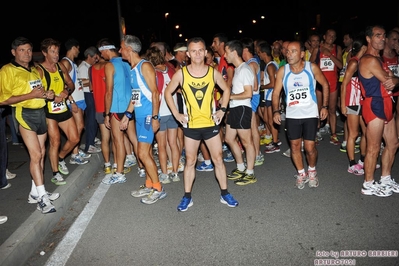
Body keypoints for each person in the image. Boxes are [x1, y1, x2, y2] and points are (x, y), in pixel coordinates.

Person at [164, 37, 238, 211]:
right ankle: (187, 197)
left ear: (205, 53)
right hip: (191, 125)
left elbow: (226, 89)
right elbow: (168, 93)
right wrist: (177, 114)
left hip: (211, 124)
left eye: (200, 50)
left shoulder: (213, 72)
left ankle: (225, 193)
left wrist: (223, 109)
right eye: (193, 51)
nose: (197, 54)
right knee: (190, 161)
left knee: (218, 159)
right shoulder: (182, 73)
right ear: (188, 54)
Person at [0, 37, 59, 213]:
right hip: (23, 114)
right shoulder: (7, 70)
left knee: (41, 155)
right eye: (21, 50)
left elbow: (37, 93)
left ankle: (35, 192)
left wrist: (47, 94)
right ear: (13, 52)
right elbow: (3, 99)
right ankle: (42, 198)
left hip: (41, 113)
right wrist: (31, 95)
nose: (26, 53)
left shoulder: (34, 71)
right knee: (35, 154)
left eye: (28, 50)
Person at [272, 41, 329, 189]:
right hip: (292, 115)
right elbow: (276, 92)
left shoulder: (312, 68)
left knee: (310, 147)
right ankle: (301, 173)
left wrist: (324, 106)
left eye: (293, 51)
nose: (289, 54)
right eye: (288, 52)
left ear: (302, 54)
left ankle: (312, 171)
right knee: (295, 146)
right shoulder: (283, 71)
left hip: (310, 113)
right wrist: (276, 110)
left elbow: (325, 84)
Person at [119, 35, 167, 205]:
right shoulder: (132, 68)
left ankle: (159, 189)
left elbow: (155, 93)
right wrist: (127, 115)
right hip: (139, 117)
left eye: (122, 47)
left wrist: (154, 117)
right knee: (144, 153)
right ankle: (149, 184)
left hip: (147, 116)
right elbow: (135, 97)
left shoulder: (144, 66)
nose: (120, 50)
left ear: (129, 49)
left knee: (142, 153)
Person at [358, 25, 399, 197]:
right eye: (377, 36)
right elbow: (388, 81)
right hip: (374, 104)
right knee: (374, 147)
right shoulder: (370, 60)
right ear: (368, 39)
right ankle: (368, 183)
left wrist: (395, 79)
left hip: (386, 102)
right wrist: (394, 80)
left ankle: (385, 178)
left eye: (383, 36)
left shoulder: (379, 60)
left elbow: (394, 80)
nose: (382, 39)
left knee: (393, 143)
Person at [37, 38, 82, 186]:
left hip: (62, 108)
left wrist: (66, 91)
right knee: (55, 141)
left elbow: (70, 84)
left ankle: (61, 157)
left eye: (57, 51)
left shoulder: (61, 66)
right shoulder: (39, 70)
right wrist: (49, 95)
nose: (56, 55)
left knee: (75, 138)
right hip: (48, 111)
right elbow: (35, 91)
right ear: (44, 53)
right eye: (52, 51)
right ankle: (55, 173)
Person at [144, 46, 180, 183]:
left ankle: (164, 174)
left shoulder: (152, 72)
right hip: (173, 111)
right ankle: (175, 172)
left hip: (160, 113)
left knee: (161, 145)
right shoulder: (171, 69)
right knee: (173, 144)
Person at [224, 40, 257, 186]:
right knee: (229, 139)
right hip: (235, 108)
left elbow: (248, 93)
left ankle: (250, 173)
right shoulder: (238, 69)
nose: (224, 56)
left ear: (233, 52)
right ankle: (241, 167)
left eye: (226, 52)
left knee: (247, 142)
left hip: (242, 108)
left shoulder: (244, 69)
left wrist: (229, 96)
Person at [99, 38, 132, 184]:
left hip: (116, 108)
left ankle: (119, 173)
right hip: (130, 107)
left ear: (105, 50)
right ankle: (143, 168)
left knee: (118, 141)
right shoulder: (126, 62)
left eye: (102, 53)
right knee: (134, 139)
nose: (101, 56)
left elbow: (109, 92)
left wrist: (106, 113)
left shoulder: (110, 65)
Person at [340, 35, 367, 176]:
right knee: (354, 134)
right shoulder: (354, 62)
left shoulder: (363, 61)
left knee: (366, 133)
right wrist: (343, 105)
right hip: (352, 101)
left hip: (362, 101)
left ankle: (362, 161)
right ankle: (351, 163)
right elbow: (344, 84)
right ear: (363, 48)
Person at [60, 38, 90, 163]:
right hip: (74, 100)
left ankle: (76, 151)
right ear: (73, 48)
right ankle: (73, 154)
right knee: (79, 126)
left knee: (80, 127)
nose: (79, 51)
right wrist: (71, 100)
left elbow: (76, 82)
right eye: (78, 48)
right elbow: (62, 83)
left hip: (80, 98)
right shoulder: (65, 62)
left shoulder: (73, 63)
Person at [311, 29, 343, 145]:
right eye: (329, 35)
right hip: (320, 83)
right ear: (324, 36)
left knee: (332, 109)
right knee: (319, 108)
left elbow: (340, 65)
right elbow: (310, 64)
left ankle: (333, 134)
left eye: (333, 36)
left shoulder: (337, 48)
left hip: (333, 83)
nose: (331, 37)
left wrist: (329, 55)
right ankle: (316, 132)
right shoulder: (317, 48)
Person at [77, 46, 101, 154]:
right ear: (88, 56)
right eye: (94, 58)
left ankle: (91, 140)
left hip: (91, 93)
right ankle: (89, 145)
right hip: (87, 94)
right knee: (91, 119)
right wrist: (96, 79)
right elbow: (80, 82)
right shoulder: (83, 67)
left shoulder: (90, 66)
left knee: (93, 119)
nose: (96, 60)